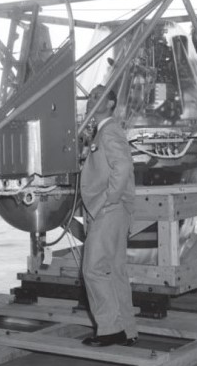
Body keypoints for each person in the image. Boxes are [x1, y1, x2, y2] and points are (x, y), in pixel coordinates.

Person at [79, 84, 138, 347]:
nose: (91, 98)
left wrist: (108, 199)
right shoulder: (102, 132)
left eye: (97, 95)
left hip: (109, 210)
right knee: (114, 271)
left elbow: (123, 165)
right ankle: (126, 329)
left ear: (111, 103)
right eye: (91, 95)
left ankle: (109, 329)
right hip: (113, 210)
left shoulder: (109, 131)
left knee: (93, 269)